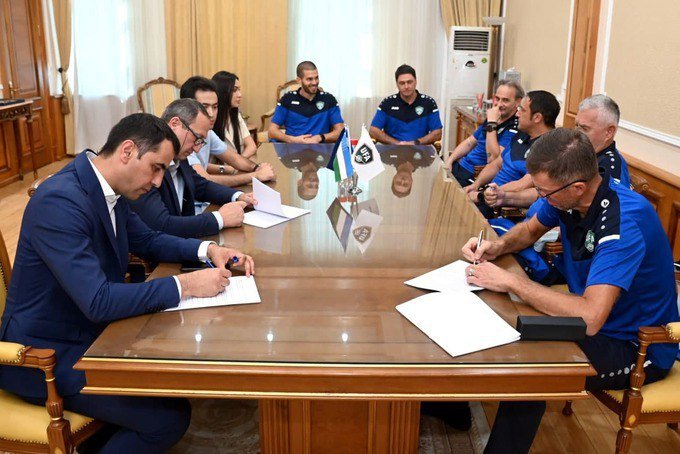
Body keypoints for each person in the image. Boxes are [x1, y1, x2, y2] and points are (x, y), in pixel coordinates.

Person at [0, 113, 255, 453]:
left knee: (169, 381)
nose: (158, 181)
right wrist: (187, 285)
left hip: (91, 334)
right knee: (167, 417)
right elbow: (98, 301)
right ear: (127, 151)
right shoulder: (59, 201)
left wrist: (208, 249)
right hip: (46, 356)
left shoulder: (105, 189)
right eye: (156, 168)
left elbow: (148, 239)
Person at [461, 128, 678, 453]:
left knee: (534, 369)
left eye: (543, 192)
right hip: (597, 321)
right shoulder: (569, 197)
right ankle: (450, 407)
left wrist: (513, 282)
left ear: (577, 187)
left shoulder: (622, 223)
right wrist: (498, 246)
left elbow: (590, 318)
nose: (539, 197)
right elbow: (530, 230)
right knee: (501, 322)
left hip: (637, 347)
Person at [129, 99, 255, 238]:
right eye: (197, 138)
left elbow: (201, 186)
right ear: (175, 124)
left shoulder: (180, 155)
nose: (197, 149)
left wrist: (239, 196)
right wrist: (220, 219)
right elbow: (162, 225)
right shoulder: (146, 162)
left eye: (201, 142)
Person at [483, 94, 630, 210]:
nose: (577, 133)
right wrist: (504, 197)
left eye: (584, 128)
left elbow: (603, 214)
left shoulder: (610, 166)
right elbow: (545, 193)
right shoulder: (574, 153)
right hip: (536, 220)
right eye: (576, 126)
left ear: (609, 132)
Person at [466, 90, 560, 218]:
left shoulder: (550, 148)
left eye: (522, 110)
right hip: (487, 194)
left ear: (537, 117)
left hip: (501, 205)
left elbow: (522, 185)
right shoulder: (522, 133)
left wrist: (482, 195)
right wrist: (476, 185)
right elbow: (496, 164)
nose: (517, 114)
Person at [181, 76, 275, 192]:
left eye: (215, 107)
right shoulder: (182, 136)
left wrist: (257, 167)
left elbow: (234, 159)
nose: (211, 114)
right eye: (204, 107)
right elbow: (205, 180)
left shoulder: (208, 132)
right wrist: (255, 176)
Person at [445, 80, 523, 187]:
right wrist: (450, 160)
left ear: (518, 102)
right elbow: (469, 142)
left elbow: (492, 159)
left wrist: (492, 123)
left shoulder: (515, 127)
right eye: (497, 99)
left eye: (505, 100)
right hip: (461, 166)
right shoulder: (494, 117)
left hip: (475, 175)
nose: (499, 104)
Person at [268, 61, 344, 144]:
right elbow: (272, 131)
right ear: (299, 80)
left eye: (316, 78)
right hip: (293, 146)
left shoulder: (329, 99)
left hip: (320, 147)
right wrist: (293, 139)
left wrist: (320, 138)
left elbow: (340, 131)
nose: (314, 82)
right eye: (309, 79)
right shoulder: (287, 99)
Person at [369, 64, 443, 146]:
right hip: (392, 150)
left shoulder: (428, 103)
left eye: (409, 82)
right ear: (397, 84)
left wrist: (415, 143)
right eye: (402, 83)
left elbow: (437, 133)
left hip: (421, 150)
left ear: (416, 82)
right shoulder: (387, 103)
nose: (406, 86)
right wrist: (397, 143)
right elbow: (373, 131)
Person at [212, 71, 258, 159]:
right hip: (220, 167)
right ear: (222, 92)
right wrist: (236, 163)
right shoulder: (211, 119)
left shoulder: (235, 115)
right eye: (234, 90)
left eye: (239, 90)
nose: (240, 95)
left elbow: (252, 146)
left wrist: (237, 162)